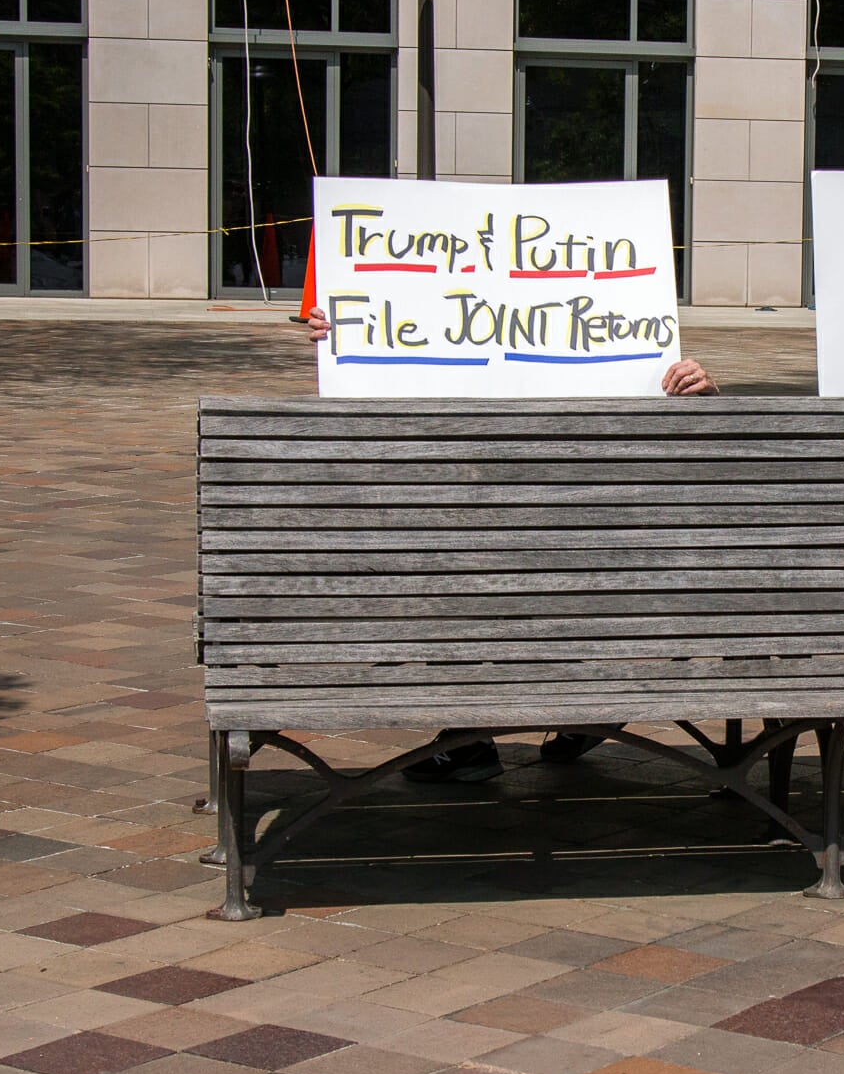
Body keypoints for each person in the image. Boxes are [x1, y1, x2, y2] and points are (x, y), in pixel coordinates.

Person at [298, 308, 716, 782]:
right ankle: (561, 710)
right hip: (519, 538)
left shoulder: (606, 318)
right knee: (459, 547)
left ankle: (502, 728)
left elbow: (698, 464)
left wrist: (699, 393)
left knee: (460, 556)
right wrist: (354, 338)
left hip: (572, 538)